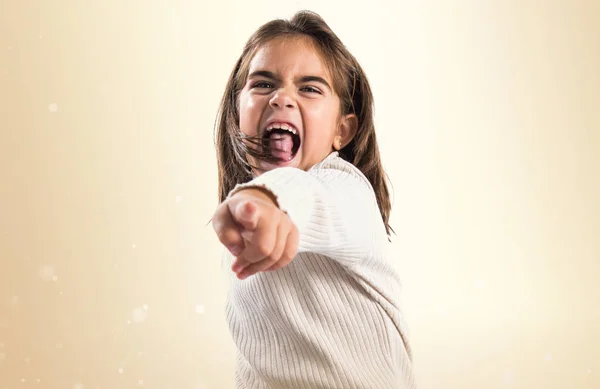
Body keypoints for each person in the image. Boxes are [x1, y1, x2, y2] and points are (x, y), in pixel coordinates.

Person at [211, 10, 416, 389]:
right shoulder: (243, 221)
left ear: (342, 130)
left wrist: (265, 199)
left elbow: (305, 194)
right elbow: (259, 363)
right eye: (262, 84)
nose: (281, 98)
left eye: (309, 88)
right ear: (237, 113)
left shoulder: (347, 190)